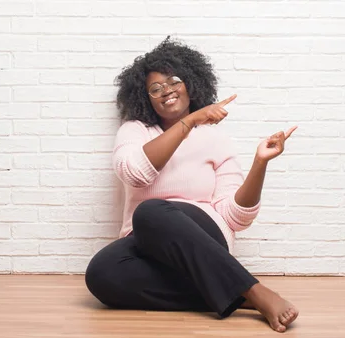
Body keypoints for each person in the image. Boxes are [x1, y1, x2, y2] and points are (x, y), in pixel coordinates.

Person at [84, 37, 299, 333]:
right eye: (155, 89)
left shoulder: (216, 139)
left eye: (174, 81)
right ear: (145, 97)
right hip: (146, 241)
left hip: (204, 234)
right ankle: (235, 294)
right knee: (101, 273)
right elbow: (135, 174)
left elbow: (236, 217)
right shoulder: (135, 131)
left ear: (190, 83)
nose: (166, 91)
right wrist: (192, 120)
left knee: (149, 212)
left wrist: (260, 163)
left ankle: (256, 292)